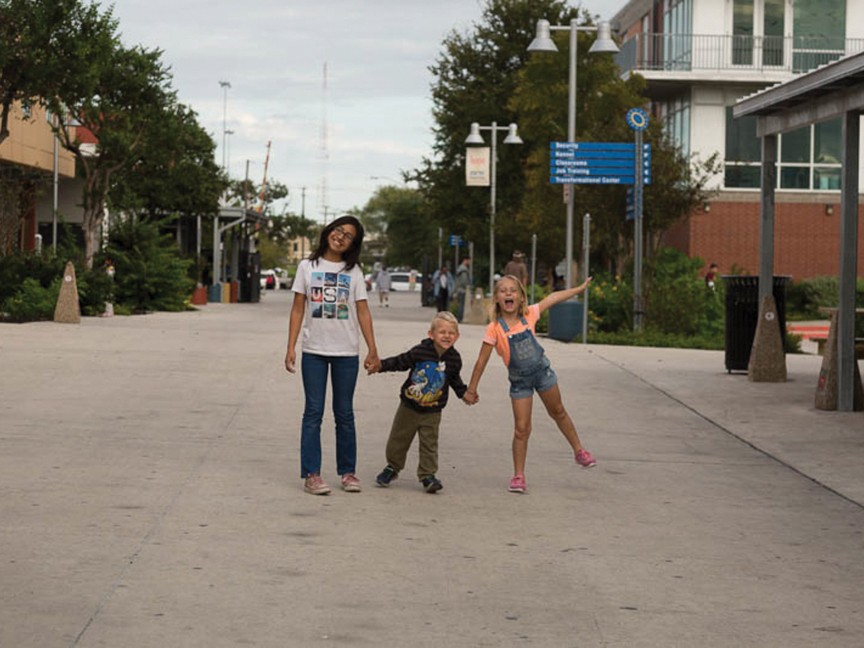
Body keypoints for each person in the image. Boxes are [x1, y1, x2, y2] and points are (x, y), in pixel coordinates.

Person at [464, 274, 596, 494]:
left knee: (558, 411)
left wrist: (577, 289)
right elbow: (481, 361)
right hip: (520, 383)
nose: (508, 293)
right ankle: (518, 475)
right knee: (521, 429)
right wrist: (471, 389)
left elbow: (552, 298)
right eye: (503, 290)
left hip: (543, 374)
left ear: (521, 297)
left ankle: (579, 451)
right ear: (496, 298)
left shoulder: (529, 314)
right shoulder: (494, 328)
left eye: (513, 290)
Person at [285, 215, 380, 496]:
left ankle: (348, 472)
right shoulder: (307, 266)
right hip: (314, 350)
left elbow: (362, 310)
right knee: (313, 413)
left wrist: (372, 348)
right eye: (338, 230)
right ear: (328, 231)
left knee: (345, 413)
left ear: (353, 244)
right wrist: (291, 346)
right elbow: (297, 309)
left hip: (346, 352)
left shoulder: (354, 272)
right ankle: (312, 474)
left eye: (348, 235)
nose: (340, 236)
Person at [368, 311, 475, 493]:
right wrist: (381, 365)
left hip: (433, 410)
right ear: (431, 334)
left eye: (451, 333)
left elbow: (454, 380)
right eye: (442, 332)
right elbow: (401, 361)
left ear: (457, 336)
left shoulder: (454, 359)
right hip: (409, 407)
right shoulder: (420, 351)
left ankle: (428, 475)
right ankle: (392, 467)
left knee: (429, 444)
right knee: (398, 439)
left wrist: (464, 393)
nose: (447, 336)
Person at [454, 257, 471, 322]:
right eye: (468, 261)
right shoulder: (464, 270)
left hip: (459, 289)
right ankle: (459, 318)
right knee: (461, 304)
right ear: (465, 260)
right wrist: (467, 287)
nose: (469, 263)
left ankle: (459, 317)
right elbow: (464, 281)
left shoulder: (459, 269)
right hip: (462, 290)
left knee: (460, 304)